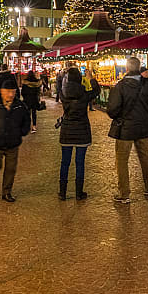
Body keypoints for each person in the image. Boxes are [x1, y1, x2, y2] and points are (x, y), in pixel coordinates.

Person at [105, 56, 148, 204]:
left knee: (122, 160)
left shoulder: (121, 86)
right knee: (145, 157)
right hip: (142, 126)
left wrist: (118, 115)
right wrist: (143, 112)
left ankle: (124, 193)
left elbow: (112, 109)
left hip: (125, 128)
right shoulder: (147, 84)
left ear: (127, 69)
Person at [0, 76, 31, 202]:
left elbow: (26, 120)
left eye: (13, 91)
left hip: (13, 143)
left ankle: (7, 192)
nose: (11, 94)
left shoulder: (20, 106)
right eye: (8, 91)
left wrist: (22, 132)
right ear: (2, 91)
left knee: (10, 169)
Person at [58, 67, 100, 200]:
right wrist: (90, 78)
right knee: (80, 163)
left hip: (67, 131)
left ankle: (63, 192)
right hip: (82, 131)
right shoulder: (84, 94)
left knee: (65, 162)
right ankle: (78, 193)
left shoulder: (63, 94)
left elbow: (59, 87)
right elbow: (97, 91)